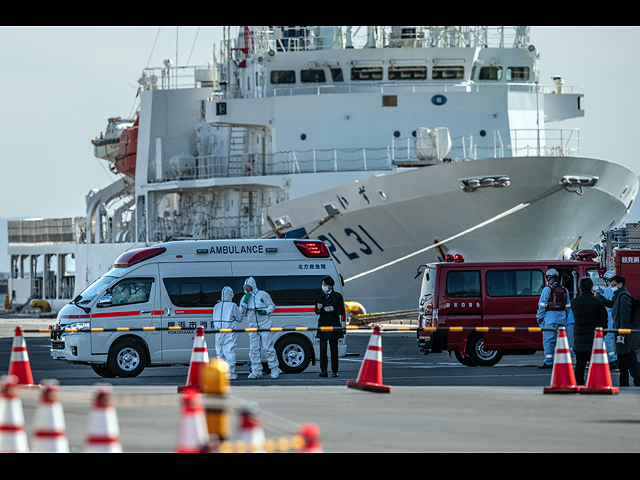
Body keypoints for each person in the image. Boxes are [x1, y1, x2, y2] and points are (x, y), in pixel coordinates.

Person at [598, 275, 640, 386]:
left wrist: (622, 333)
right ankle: (635, 380)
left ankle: (626, 381)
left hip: (623, 334)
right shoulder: (618, 295)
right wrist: (601, 297)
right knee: (630, 358)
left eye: (613, 285)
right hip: (624, 333)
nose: (611, 287)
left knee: (624, 359)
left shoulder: (623, 297)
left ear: (620, 285)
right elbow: (611, 304)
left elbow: (624, 316)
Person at [239, 277, 280, 379]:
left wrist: (265, 311)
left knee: (268, 348)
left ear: (253, 285)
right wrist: (244, 302)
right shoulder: (245, 297)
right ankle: (256, 371)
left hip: (265, 324)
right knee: (254, 349)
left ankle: (274, 369)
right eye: (245, 287)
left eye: (248, 287)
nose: (247, 289)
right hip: (252, 326)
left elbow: (272, 306)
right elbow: (241, 313)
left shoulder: (263, 295)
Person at [571, 277, 608, 385]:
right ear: (592, 287)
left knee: (580, 365)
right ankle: (597, 383)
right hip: (594, 339)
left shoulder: (575, 302)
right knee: (596, 364)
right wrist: (603, 332)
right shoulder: (598, 302)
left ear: (580, 287)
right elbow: (604, 319)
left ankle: (579, 384)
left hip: (580, 338)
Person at [536, 269, 571, 368]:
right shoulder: (565, 289)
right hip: (562, 318)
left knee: (548, 340)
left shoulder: (547, 289)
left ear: (548, 278)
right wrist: (565, 316)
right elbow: (568, 306)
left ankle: (549, 361)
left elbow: (542, 304)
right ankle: (559, 360)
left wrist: (539, 316)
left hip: (550, 318)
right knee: (560, 340)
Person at [315, 276, 345, 378]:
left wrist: (333, 309)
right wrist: (319, 309)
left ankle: (335, 370)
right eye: (322, 284)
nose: (323, 287)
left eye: (325, 285)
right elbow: (316, 311)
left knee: (334, 350)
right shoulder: (319, 296)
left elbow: (342, 310)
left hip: (334, 325)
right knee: (323, 350)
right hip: (323, 325)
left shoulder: (337, 296)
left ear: (330, 286)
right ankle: (323, 370)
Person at [212, 286, 242, 379]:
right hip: (229, 331)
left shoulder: (216, 306)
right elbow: (239, 319)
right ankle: (230, 373)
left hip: (218, 332)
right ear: (231, 295)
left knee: (219, 353)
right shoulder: (232, 305)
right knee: (229, 352)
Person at [601, 270, 618, 369]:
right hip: (615, 316)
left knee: (609, 338)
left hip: (609, 316)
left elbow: (606, 304)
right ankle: (615, 357)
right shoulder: (617, 289)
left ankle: (613, 359)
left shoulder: (608, 289)